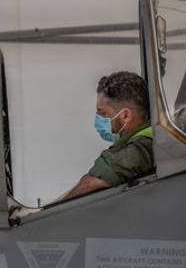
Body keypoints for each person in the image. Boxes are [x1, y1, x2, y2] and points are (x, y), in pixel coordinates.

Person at [64, 71, 154, 200]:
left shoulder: (142, 146)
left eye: (102, 113)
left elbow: (90, 184)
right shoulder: (153, 131)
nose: (98, 118)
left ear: (125, 116)